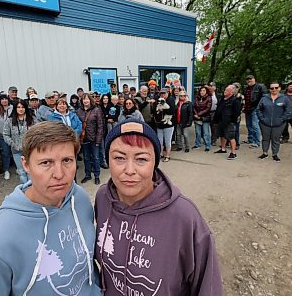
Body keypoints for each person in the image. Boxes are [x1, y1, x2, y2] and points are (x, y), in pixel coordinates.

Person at [0, 121, 102, 296]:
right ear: (26, 164)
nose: (59, 174)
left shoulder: (80, 198)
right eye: (46, 163)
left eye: (67, 160)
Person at [95, 120, 223, 295]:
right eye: (119, 158)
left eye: (141, 159)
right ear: (107, 160)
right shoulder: (103, 199)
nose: (129, 170)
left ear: (155, 163)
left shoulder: (183, 216)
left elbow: (207, 285)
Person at [3, 101, 36, 184]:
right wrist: (14, 145)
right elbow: (5, 134)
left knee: (31, 171)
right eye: (18, 107)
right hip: (16, 151)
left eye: (23, 107)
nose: (21, 109)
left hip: (30, 150)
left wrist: (32, 144)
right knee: (22, 172)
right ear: (15, 109)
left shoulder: (32, 119)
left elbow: (38, 133)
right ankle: (25, 189)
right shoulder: (9, 121)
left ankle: (33, 189)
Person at [257, 82, 290, 162]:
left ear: (279, 88)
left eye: (276, 87)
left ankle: (275, 154)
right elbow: (258, 109)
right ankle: (265, 153)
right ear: (269, 89)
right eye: (272, 88)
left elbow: (288, 111)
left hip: (279, 124)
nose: (274, 89)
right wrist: (262, 118)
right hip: (265, 123)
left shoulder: (284, 98)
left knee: (276, 139)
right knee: (265, 139)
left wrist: (282, 119)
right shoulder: (264, 98)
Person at [76, 93, 104, 185]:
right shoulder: (78, 111)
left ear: (90, 100)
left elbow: (100, 126)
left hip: (94, 138)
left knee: (96, 158)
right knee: (86, 158)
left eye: (87, 99)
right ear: (81, 101)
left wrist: (98, 140)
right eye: (84, 99)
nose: (85, 101)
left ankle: (97, 176)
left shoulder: (96, 110)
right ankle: (88, 175)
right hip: (83, 138)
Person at [213, 85, 242, 160]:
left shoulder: (235, 100)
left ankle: (233, 153)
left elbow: (237, 112)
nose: (225, 91)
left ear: (232, 92)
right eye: (225, 89)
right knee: (222, 135)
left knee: (231, 137)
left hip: (229, 122)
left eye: (227, 90)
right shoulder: (222, 99)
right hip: (220, 121)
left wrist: (232, 121)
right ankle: (223, 149)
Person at [243, 75, 268, 148]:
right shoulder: (246, 88)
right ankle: (250, 139)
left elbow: (265, 97)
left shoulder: (260, 86)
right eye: (247, 79)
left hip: (256, 108)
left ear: (254, 79)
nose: (249, 80)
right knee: (248, 125)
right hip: (247, 108)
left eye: (250, 79)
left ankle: (256, 141)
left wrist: (260, 107)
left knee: (255, 125)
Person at [154, 88, 175, 162]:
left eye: (164, 93)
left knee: (167, 141)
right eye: (161, 93)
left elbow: (172, 111)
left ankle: (167, 155)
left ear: (168, 93)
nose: (162, 95)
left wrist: (162, 109)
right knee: (160, 141)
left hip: (168, 124)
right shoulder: (158, 100)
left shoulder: (171, 100)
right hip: (160, 124)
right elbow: (155, 110)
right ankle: (161, 153)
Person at [193, 86, 212, 151]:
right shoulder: (196, 97)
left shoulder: (209, 98)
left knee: (206, 133)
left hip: (205, 117)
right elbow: (194, 107)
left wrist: (199, 114)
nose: (202, 92)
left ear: (206, 91)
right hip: (197, 118)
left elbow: (208, 108)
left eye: (203, 90)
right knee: (198, 132)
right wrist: (196, 114)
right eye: (201, 90)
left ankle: (208, 146)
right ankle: (197, 144)